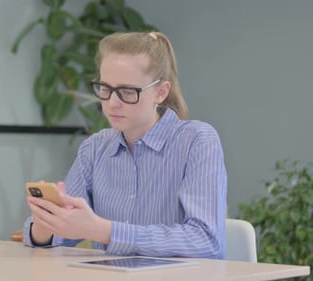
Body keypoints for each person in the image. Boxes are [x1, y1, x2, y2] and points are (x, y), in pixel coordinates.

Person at [23, 31, 227, 259]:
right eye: (105, 88)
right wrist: (46, 224)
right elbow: (64, 235)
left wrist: (105, 231)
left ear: (161, 92)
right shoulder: (95, 148)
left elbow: (205, 240)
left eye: (127, 92)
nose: (112, 103)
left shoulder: (197, 140)